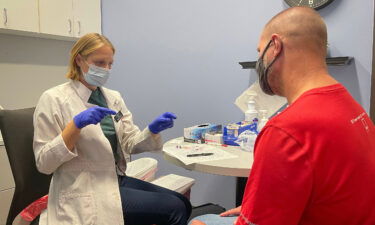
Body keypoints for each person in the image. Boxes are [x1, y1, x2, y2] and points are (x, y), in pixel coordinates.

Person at [191, 6, 375, 225]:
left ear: (275, 47)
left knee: (200, 220)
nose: (260, 61)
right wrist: (261, 202)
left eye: (260, 52)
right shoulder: (351, 106)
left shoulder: (285, 130)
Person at [33, 33, 192, 225]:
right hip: (83, 187)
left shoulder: (112, 97)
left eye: (110, 64)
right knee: (174, 209)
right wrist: (75, 126)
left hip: (115, 179)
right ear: (79, 60)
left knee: (183, 202)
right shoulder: (54, 99)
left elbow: (129, 143)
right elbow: (44, 163)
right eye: (99, 62)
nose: (106, 69)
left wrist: (152, 130)